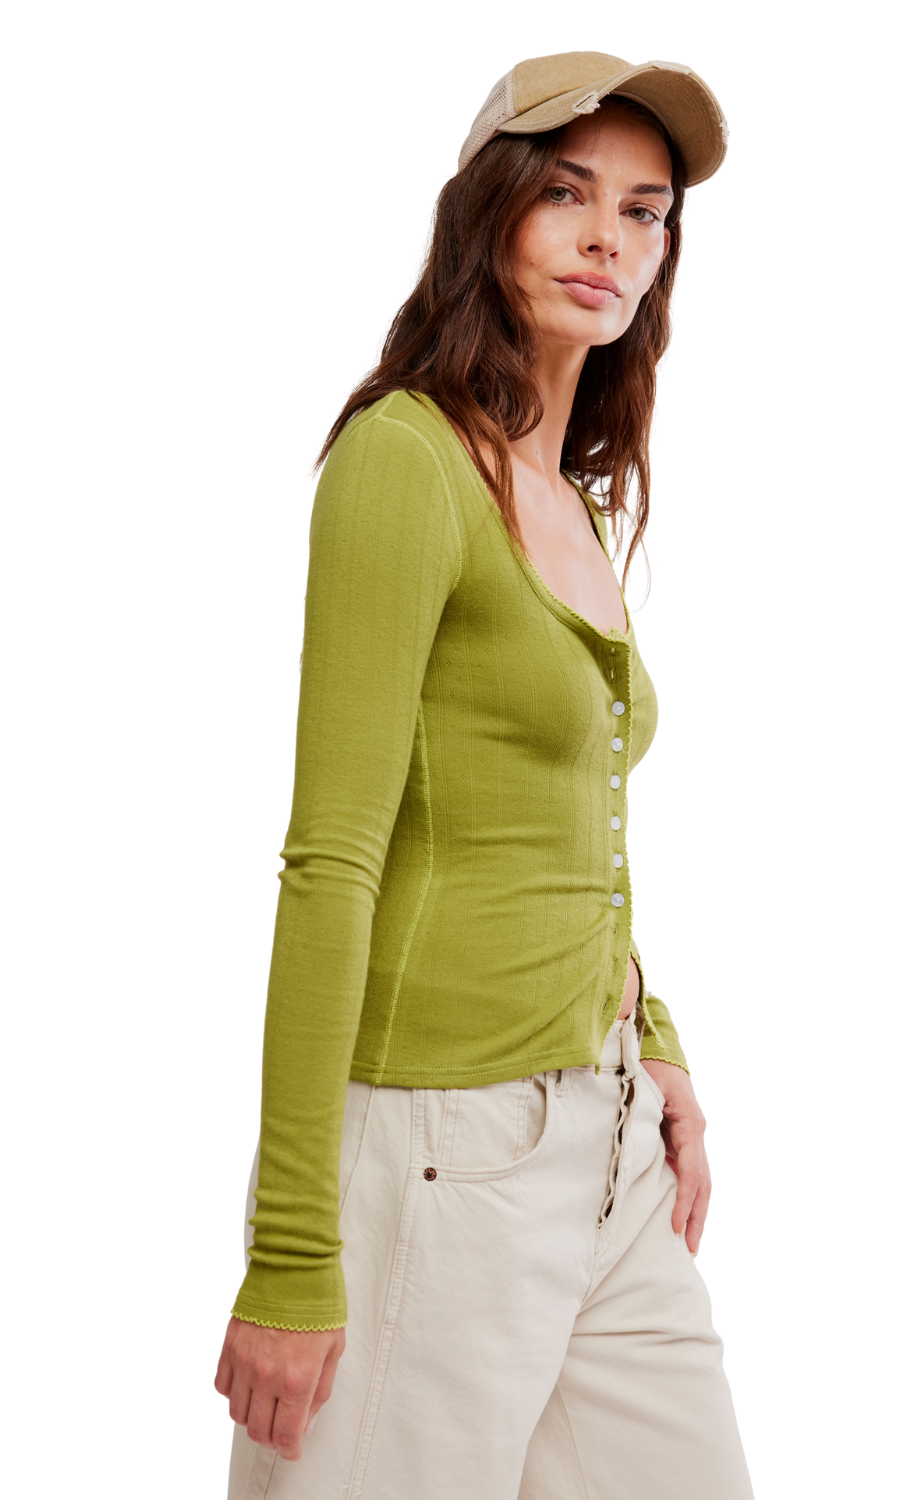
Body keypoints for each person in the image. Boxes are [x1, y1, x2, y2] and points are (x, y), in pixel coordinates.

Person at [215, 51, 754, 1499]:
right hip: (441, 1151)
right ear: (488, 212)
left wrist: (657, 1039)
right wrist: (291, 1251)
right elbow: (332, 857)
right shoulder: (406, 461)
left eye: (643, 211)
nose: (608, 241)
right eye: (568, 194)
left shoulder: (571, 495)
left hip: (609, 1137)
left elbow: (569, 820)